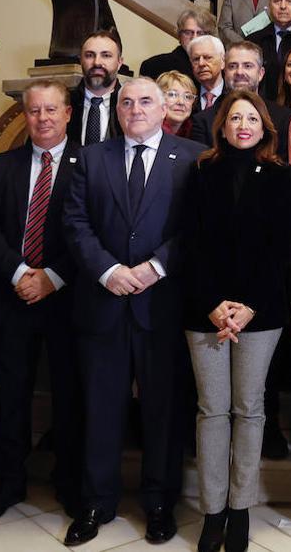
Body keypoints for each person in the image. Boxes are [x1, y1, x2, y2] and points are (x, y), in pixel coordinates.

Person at [62, 78, 202, 547]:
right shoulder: (90, 157)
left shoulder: (193, 157)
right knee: (100, 408)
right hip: (103, 301)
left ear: (166, 108)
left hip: (161, 304)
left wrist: (156, 267)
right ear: (115, 110)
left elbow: (196, 226)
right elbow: (75, 222)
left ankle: (159, 504)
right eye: (126, 102)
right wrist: (108, 271)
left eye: (145, 101)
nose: (135, 108)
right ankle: (96, 502)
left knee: (162, 411)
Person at [0, 81, 83, 524]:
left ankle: (70, 483)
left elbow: (91, 233)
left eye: (51, 110)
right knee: (12, 396)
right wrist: (20, 274)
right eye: (34, 111)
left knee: (70, 396)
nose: (43, 118)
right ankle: (8, 483)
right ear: (25, 115)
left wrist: (52, 278)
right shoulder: (2, 166)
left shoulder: (89, 164)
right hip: (13, 297)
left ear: (68, 113)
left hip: (67, 299)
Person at [185, 89, 291, 552]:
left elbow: (281, 249)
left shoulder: (278, 176)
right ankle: (213, 511)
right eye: (235, 118)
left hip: (261, 312)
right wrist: (214, 304)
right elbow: (189, 244)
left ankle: (240, 506)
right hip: (204, 310)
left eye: (252, 118)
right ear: (222, 125)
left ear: (264, 126)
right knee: (212, 409)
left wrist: (247, 305)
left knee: (249, 409)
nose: (243, 125)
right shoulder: (199, 172)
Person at [188, 42, 291, 163]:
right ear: (224, 72)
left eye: (247, 66)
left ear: (260, 73)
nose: (239, 72)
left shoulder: (283, 117)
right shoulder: (202, 120)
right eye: (232, 66)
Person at [244, 0, 291, 99]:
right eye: (277, 1)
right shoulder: (253, 41)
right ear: (269, 6)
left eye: (289, 1)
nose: (283, 6)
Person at [69, 32, 125, 147]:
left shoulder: (132, 106)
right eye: (89, 55)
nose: (97, 62)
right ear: (80, 61)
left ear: (119, 62)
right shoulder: (64, 103)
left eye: (106, 55)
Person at [140, 7, 215, 80]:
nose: (194, 38)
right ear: (179, 35)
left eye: (200, 33)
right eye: (188, 33)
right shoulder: (153, 66)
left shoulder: (218, 66)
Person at [186, 34, 226, 114]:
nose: (201, 63)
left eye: (207, 57)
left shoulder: (234, 94)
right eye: (196, 59)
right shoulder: (187, 97)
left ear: (222, 61)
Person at [157, 71, 197, 137]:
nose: (181, 102)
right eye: (172, 94)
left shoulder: (196, 132)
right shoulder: (149, 133)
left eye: (187, 96)